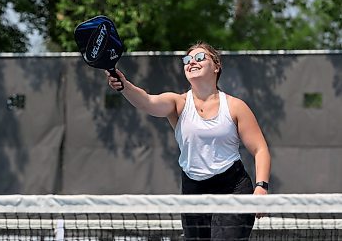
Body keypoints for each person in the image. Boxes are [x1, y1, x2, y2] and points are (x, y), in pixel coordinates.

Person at [105, 41, 271, 241]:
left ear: (216, 66)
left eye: (200, 58)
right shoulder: (178, 103)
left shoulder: (235, 107)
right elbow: (147, 102)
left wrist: (261, 187)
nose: (192, 62)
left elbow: (260, 149)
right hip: (193, 190)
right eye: (187, 59)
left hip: (232, 188)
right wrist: (124, 85)